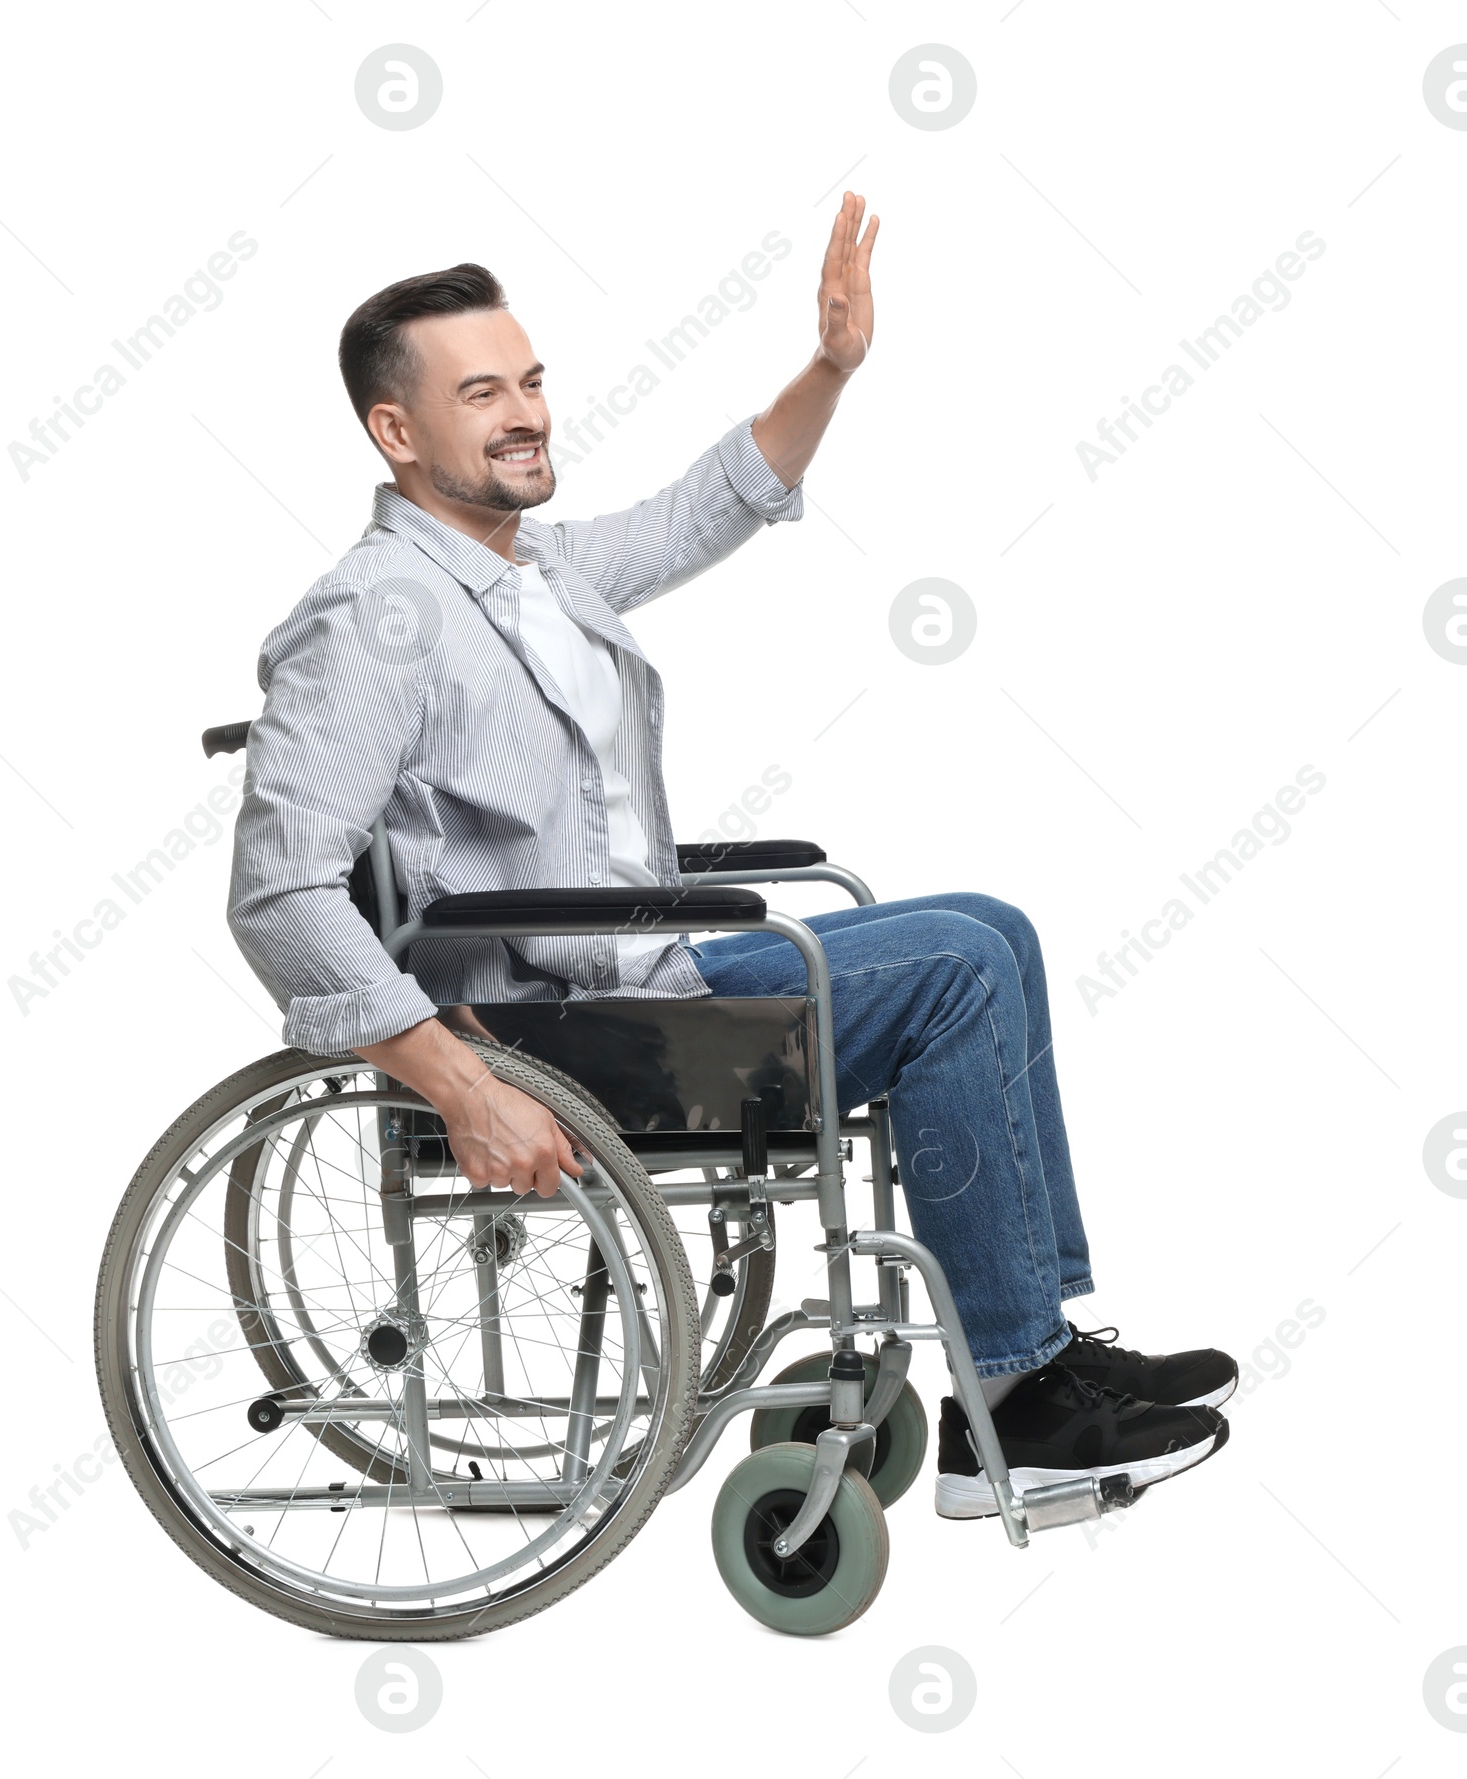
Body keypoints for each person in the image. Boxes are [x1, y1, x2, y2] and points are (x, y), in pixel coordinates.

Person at [228, 194, 1235, 1518]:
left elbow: (710, 507)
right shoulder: (371, 620)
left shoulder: (534, 566)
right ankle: (1018, 1393)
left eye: (532, 381)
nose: (528, 412)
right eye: (485, 393)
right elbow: (279, 890)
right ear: (397, 431)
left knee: (992, 925)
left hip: (637, 980)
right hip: (554, 1036)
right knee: (951, 972)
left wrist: (829, 366)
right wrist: (458, 1083)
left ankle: (1034, 1344)